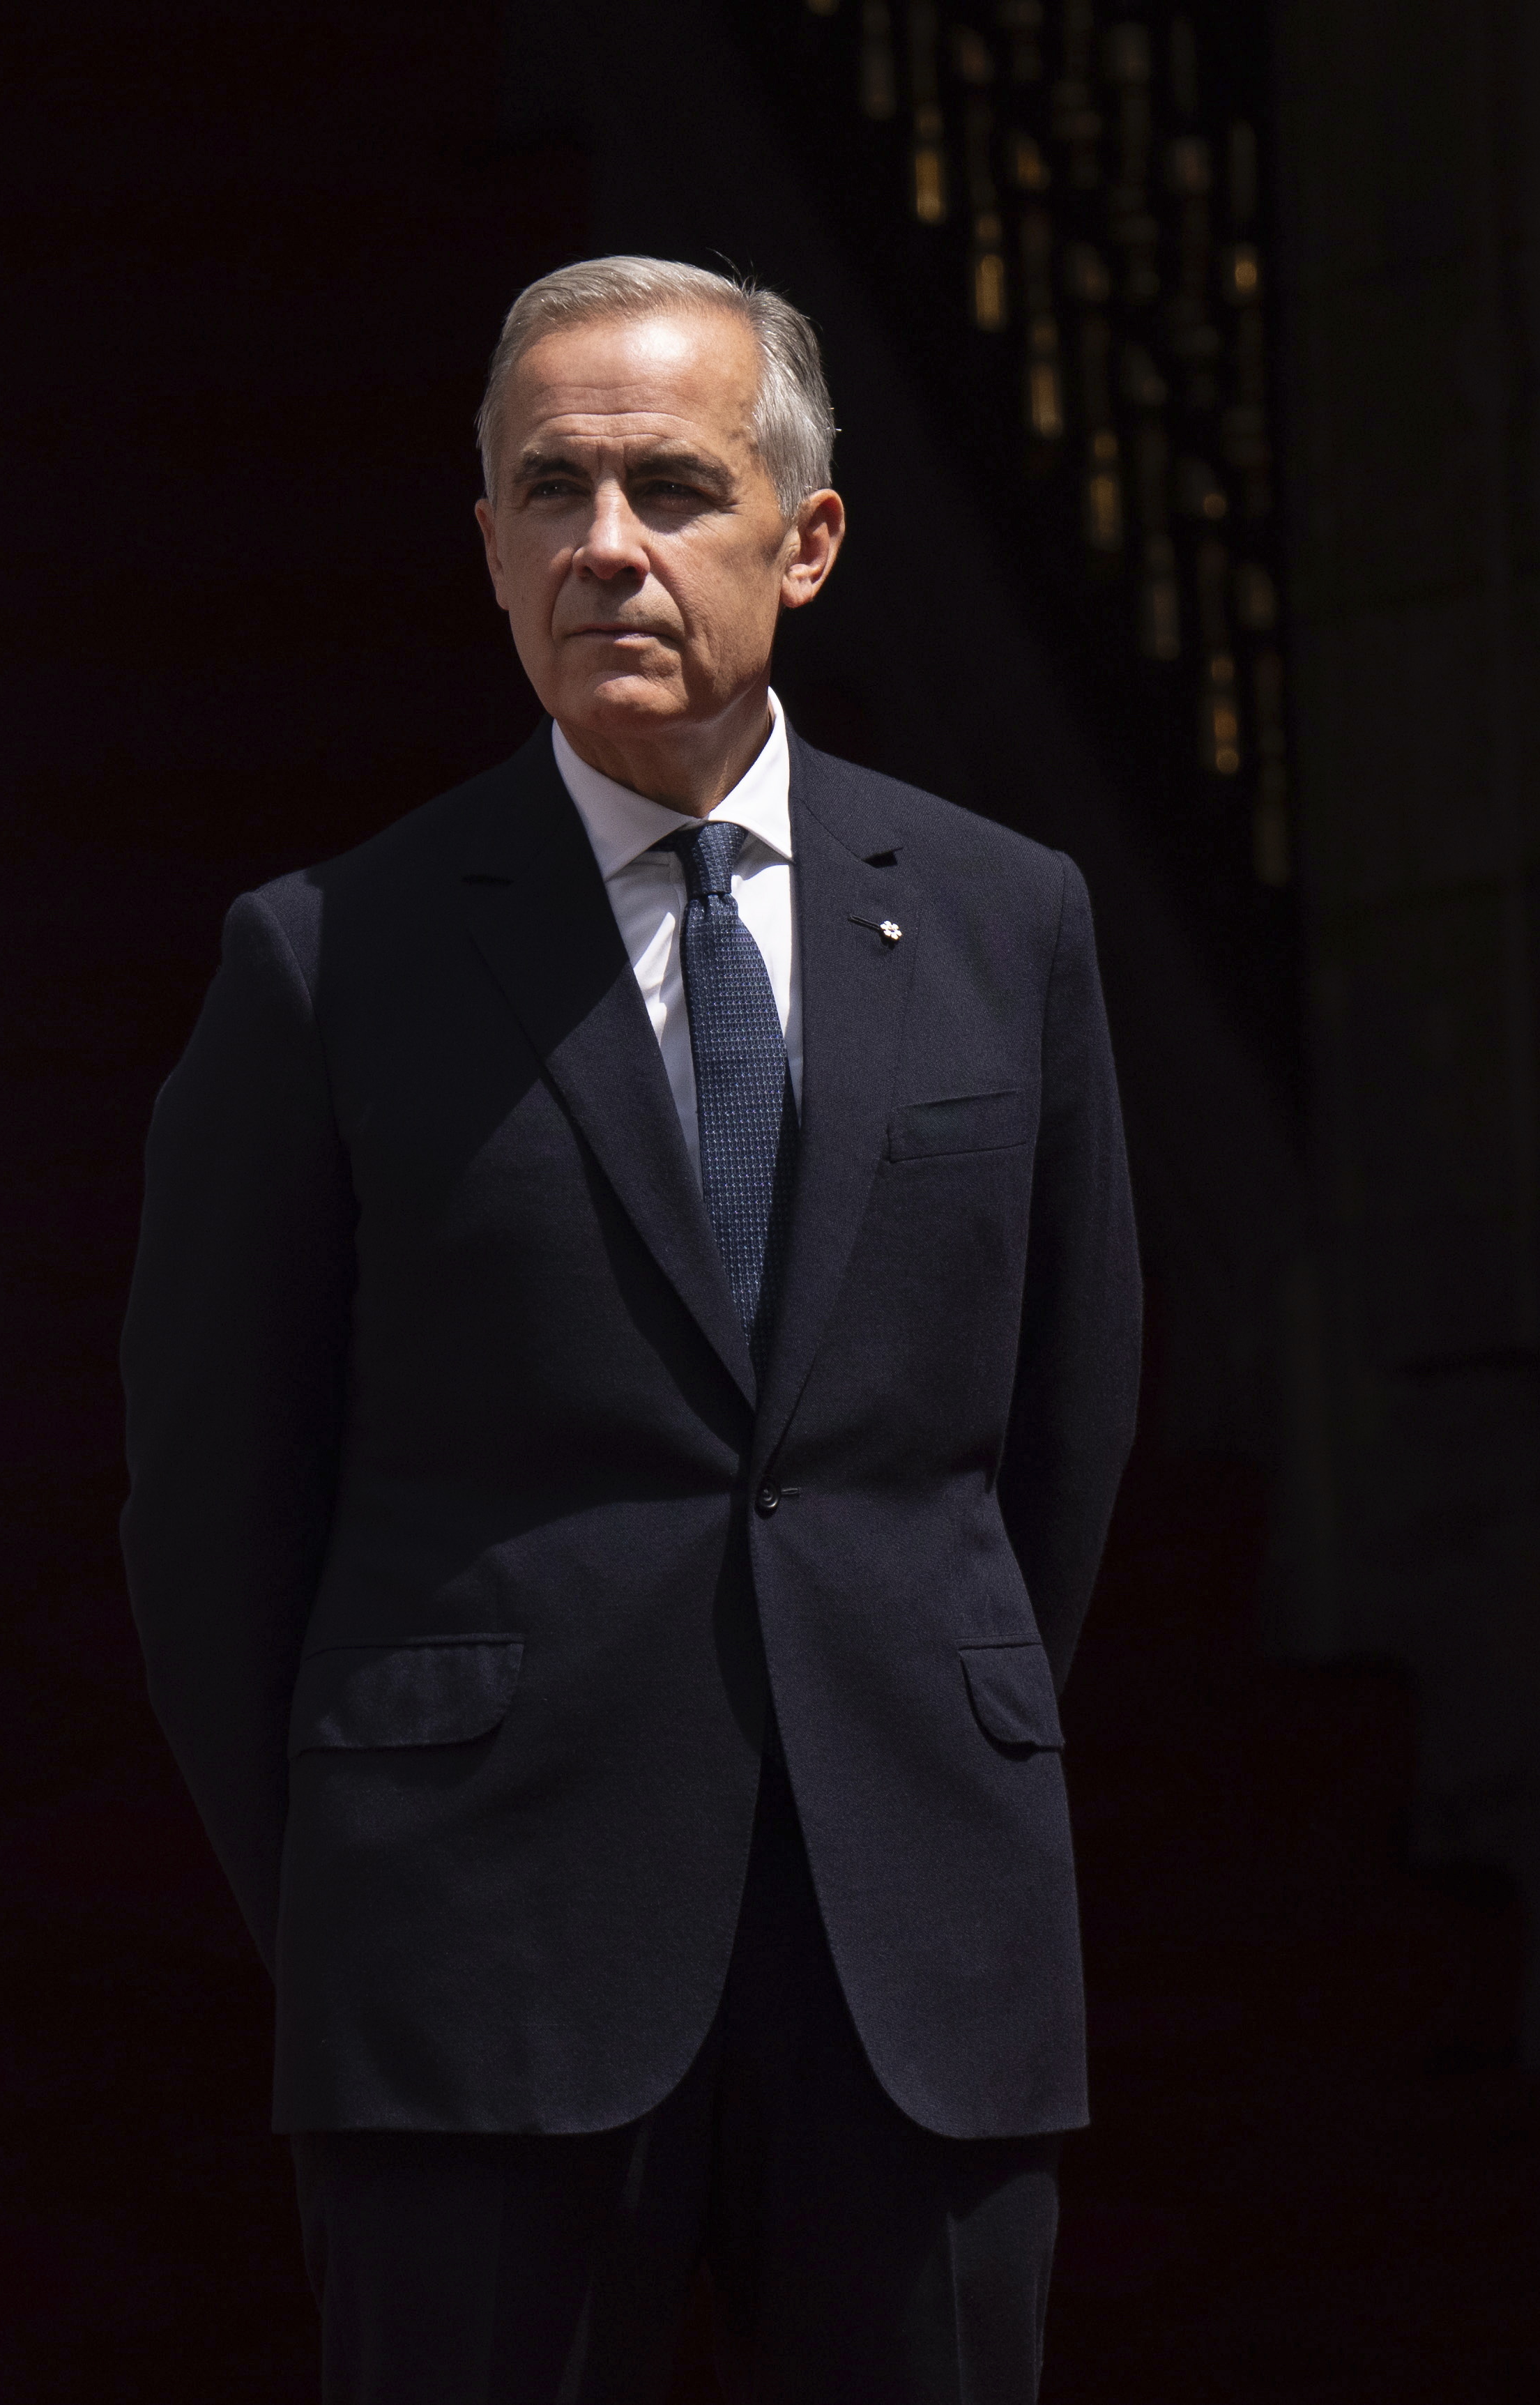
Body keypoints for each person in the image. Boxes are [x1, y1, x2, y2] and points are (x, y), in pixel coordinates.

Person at [122, 255, 1140, 2404]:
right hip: (472, 1956)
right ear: (485, 545)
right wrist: (365, 1899)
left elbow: (1060, 1431)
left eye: (670, 488)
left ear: (807, 536)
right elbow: (214, 1510)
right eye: (548, 491)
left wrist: (916, 1724)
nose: (606, 547)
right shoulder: (329, 957)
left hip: (916, 1952)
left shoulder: (1001, 917)